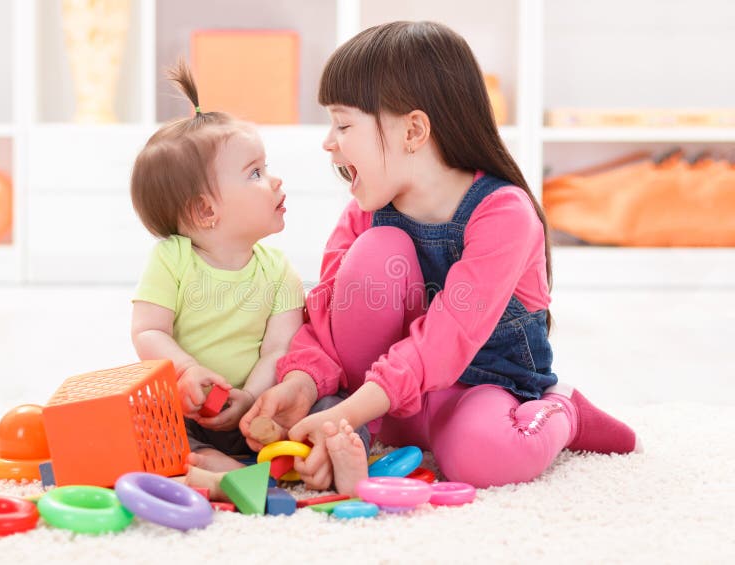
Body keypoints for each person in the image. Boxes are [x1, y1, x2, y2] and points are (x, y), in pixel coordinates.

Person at [240, 21, 639, 496]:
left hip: (483, 387)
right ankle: (372, 423)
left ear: (413, 130)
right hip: (386, 398)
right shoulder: (365, 214)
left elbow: (447, 338)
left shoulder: (504, 214)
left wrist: (343, 413)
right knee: (376, 253)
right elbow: (325, 321)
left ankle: (566, 412)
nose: (329, 141)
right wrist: (305, 384)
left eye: (343, 124)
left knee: (483, 457)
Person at [130, 60, 305, 473]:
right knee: (135, 417)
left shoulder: (280, 271)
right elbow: (149, 330)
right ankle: (209, 458)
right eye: (255, 173)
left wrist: (251, 398)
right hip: (184, 407)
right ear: (206, 210)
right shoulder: (171, 259)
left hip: (252, 409)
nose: (275, 181)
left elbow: (278, 350)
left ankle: (254, 453)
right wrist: (187, 371)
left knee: (320, 405)